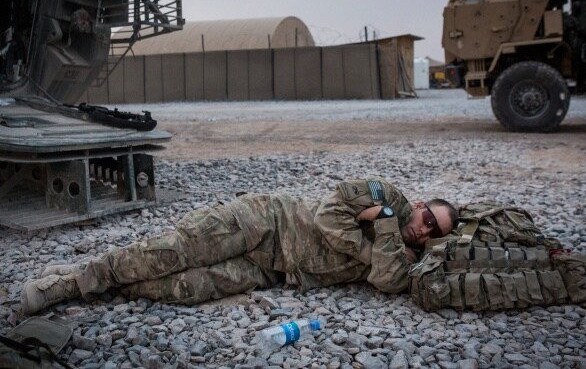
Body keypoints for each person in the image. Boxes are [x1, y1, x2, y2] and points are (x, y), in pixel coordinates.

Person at [21, 177, 458, 315]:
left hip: (273, 270)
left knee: (181, 289)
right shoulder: (386, 196)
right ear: (418, 206)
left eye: (434, 232)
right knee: (170, 253)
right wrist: (382, 220)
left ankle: (105, 282)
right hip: (266, 220)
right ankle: (73, 283)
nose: (424, 230)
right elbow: (327, 215)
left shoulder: (406, 257)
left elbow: (385, 282)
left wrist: (379, 229)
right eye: (427, 219)